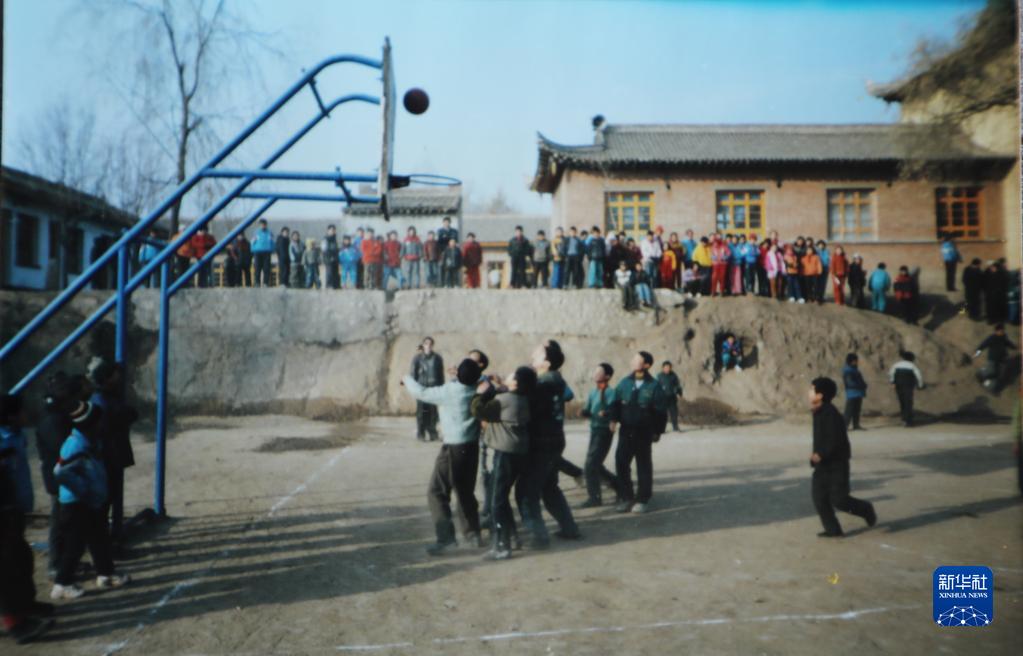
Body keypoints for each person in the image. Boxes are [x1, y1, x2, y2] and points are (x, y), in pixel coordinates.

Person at [403, 358, 484, 555]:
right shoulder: (477, 389)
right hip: (471, 446)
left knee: (436, 492)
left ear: (458, 375)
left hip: (453, 448)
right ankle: (473, 534)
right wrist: (459, 376)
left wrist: (406, 378)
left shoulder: (450, 391)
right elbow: (473, 379)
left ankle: (446, 539)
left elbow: (421, 392)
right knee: (465, 492)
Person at [51, 401, 130, 600]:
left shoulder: (91, 441)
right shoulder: (75, 445)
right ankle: (62, 583)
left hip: (90, 502)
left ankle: (106, 573)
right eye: (99, 420)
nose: (102, 423)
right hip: (75, 504)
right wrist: (84, 489)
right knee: (75, 545)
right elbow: (60, 472)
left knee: (99, 537)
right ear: (90, 424)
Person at [0, 393, 57, 644]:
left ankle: (24, 605)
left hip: (13, 507)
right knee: (6, 568)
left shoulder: (16, 436)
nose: (26, 414)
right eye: (21, 411)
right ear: (11, 416)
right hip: (4, 510)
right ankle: (15, 624)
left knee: (21, 559)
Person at [516, 341, 580, 548]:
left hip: (542, 442)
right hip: (553, 440)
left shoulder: (544, 383)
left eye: (537, 355)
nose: (532, 357)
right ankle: (569, 528)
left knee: (528, 490)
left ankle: (538, 536)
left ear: (547, 362)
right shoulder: (554, 379)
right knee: (549, 487)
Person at [471, 366, 536, 561]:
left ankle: (502, 546)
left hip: (505, 453)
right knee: (501, 497)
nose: (507, 375)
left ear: (515, 383)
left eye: (511, 375)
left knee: (496, 501)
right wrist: (499, 386)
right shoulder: (522, 398)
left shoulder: (505, 400)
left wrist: (482, 393)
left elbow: (477, 410)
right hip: (517, 451)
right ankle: (512, 537)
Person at [807, 377, 877, 538]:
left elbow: (835, 440)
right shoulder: (818, 411)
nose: (808, 392)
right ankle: (833, 530)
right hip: (822, 465)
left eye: (811, 389)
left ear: (820, 395)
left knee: (839, 500)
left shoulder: (830, 413)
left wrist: (821, 454)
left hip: (837, 464)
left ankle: (865, 509)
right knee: (819, 498)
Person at [610, 351, 668, 513]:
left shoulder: (654, 386)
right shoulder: (624, 383)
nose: (633, 361)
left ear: (647, 365)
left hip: (644, 432)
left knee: (643, 465)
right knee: (621, 463)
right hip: (626, 430)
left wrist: (657, 432)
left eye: (637, 359)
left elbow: (661, 412)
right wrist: (613, 420)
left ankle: (643, 499)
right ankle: (626, 497)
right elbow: (615, 403)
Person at [87, 361, 137, 544]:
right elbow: (121, 417)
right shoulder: (102, 399)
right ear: (107, 378)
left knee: (110, 499)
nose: (120, 379)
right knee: (105, 501)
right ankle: (106, 542)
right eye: (116, 375)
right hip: (108, 456)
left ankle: (109, 539)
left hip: (112, 454)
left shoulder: (107, 397)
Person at [36, 373, 76, 578]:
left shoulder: (57, 416)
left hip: (61, 476)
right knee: (60, 522)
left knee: (65, 520)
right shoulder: (53, 420)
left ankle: (62, 561)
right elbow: (63, 450)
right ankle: (56, 564)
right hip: (59, 478)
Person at [578, 363, 621, 508]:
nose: (595, 373)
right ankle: (620, 487)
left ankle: (595, 498)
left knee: (591, 465)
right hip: (595, 430)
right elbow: (589, 410)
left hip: (604, 431)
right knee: (595, 464)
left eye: (599, 371)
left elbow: (615, 409)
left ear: (607, 376)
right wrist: (583, 412)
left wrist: (609, 416)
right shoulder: (593, 392)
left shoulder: (610, 392)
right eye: (595, 371)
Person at [411, 338, 444, 441]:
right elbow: (413, 374)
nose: (428, 345)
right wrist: (415, 388)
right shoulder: (417, 358)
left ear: (432, 345)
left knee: (433, 412)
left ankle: (433, 433)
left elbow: (441, 375)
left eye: (430, 344)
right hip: (422, 388)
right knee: (422, 412)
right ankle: (421, 434)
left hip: (434, 388)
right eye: (426, 343)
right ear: (423, 345)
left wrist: (441, 388)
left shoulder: (437, 358)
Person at [974, 323, 1018, 391]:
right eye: (1000, 330)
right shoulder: (992, 338)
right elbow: (983, 345)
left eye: (1003, 330)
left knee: (996, 373)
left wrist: (1015, 347)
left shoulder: (1004, 338)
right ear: (996, 331)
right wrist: (977, 352)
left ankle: (987, 383)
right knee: (991, 371)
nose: (1002, 332)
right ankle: (981, 375)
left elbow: (1009, 344)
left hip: (1001, 360)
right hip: (992, 359)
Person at [889, 351, 924, 427]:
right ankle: (909, 421)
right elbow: (919, 376)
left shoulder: (896, 365)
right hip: (908, 386)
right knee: (908, 402)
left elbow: (891, 374)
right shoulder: (912, 366)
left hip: (898, 385)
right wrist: (920, 385)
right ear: (911, 358)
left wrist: (892, 382)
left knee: (902, 402)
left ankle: (904, 418)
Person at [842, 353, 867, 430]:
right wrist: (861, 385)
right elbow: (850, 383)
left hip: (858, 392)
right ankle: (844, 426)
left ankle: (856, 425)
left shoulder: (854, 370)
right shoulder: (848, 371)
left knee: (857, 410)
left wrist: (863, 385)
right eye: (855, 361)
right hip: (852, 392)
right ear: (851, 361)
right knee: (849, 410)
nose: (856, 362)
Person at [656, 361, 683, 432]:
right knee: (662, 414)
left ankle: (675, 427)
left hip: (672, 397)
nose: (667, 369)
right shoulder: (659, 376)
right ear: (663, 368)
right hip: (663, 398)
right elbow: (656, 386)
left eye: (668, 368)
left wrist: (679, 393)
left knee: (674, 412)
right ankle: (661, 428)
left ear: (670, 368)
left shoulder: (673, 376)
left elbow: (677, 385)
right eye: (665, 368)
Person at [251, 220, 274, 287]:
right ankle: (257, 283)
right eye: (261, 224)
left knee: (266, 268)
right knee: (257, 268)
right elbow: (252, 242)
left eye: (264, 224)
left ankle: (265, 283)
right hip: (258, 252)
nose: (263, 226)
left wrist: (272, 249)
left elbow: (272, 242)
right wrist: (253, 250)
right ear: (259, 225)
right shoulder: (256, 233)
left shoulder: (269, 233)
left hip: (267, 252)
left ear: (266, 225)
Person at [321, 226, 340, 290]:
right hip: (328, 258)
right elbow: (324, 249)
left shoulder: (334, 239)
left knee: (335, 272)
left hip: (335, 258)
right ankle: (329, 285)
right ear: (328, 231)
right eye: (331, 230)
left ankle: (335, 285)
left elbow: (336, 248)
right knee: (329, 272)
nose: (333, 231)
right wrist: (330, 256)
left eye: (334, 230)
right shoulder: (325, 239)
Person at [816, 240, 830, 304]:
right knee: (817, 283)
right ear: (817, 245)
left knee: (823, 283)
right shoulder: (816, 251)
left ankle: (821, 297)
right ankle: (817, 296)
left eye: (822, 245)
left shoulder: (826, 251)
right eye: (819, 245)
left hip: (825, 268)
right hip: (818, 269)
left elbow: (828, 260)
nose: (821, 246)